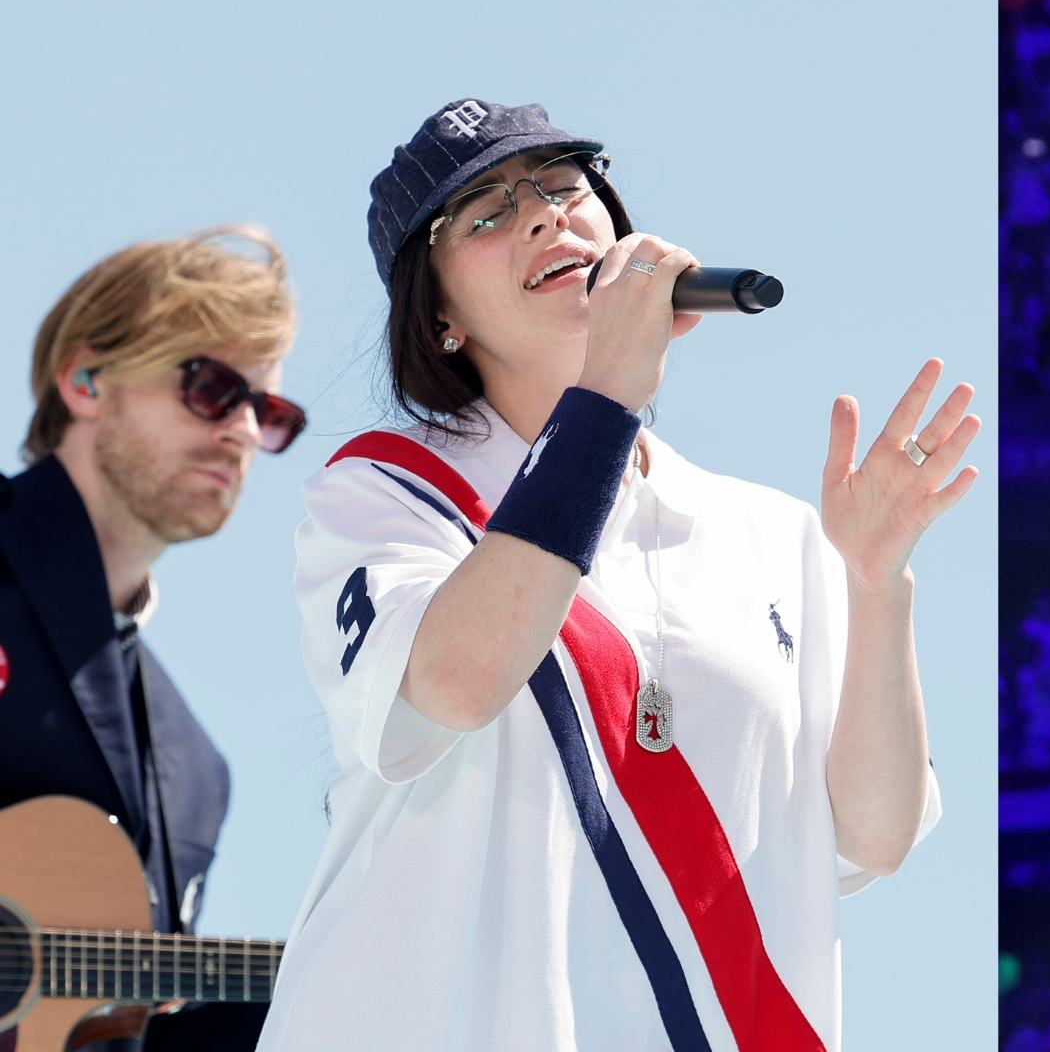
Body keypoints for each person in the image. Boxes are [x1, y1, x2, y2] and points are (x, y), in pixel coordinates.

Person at [259, 100, 977, 1052]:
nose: (545, 216)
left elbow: (875, 836)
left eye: (563, 184)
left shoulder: (771, 532)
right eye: (484, 214)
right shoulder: (387, 492)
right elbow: (458, 680)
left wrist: (878, 584)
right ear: (436, 318)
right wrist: (607, 393)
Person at [0, 230, 305, 1050]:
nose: (243, 430)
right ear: (86, 380)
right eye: (211, 388)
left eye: (268, 411)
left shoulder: (197, 772)